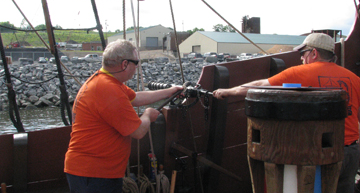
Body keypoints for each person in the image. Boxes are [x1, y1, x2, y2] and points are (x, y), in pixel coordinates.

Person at [213, 33, 360, 193]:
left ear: (314, 53)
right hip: (351, 153)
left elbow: (259, 85)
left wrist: (227, 91)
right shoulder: (354, 79)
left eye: (303, 54)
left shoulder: (299, 73)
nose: (301, 59)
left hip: (320, 155)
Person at [64, 39, 182, 193]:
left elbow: (137, 98)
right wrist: (147, 115)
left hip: (93, 172)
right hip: (94, 174)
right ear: (125, 64)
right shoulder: (109, 89)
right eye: (136, 62)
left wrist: (169, 91)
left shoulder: (106, 80)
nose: (137, 67)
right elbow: (138, 132)